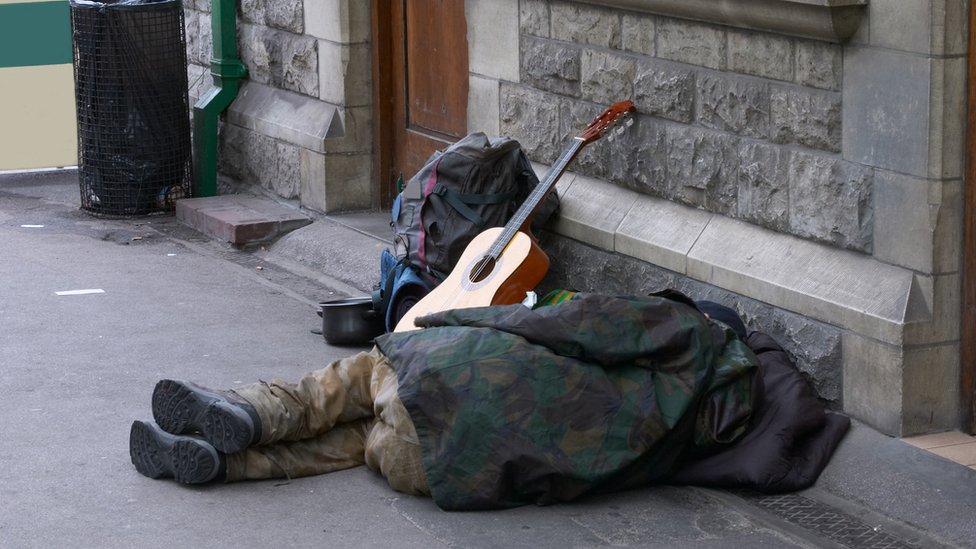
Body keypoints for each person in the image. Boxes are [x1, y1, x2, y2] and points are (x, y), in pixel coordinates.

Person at [130, 291, 763, 509]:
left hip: (433, 382)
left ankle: (248, 414)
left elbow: (553, 324)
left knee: (346, 386)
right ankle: (228, 463)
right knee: (356, 444)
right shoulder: (689, 433)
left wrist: (443, 321)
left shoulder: (681, 330)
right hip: (436, 472)